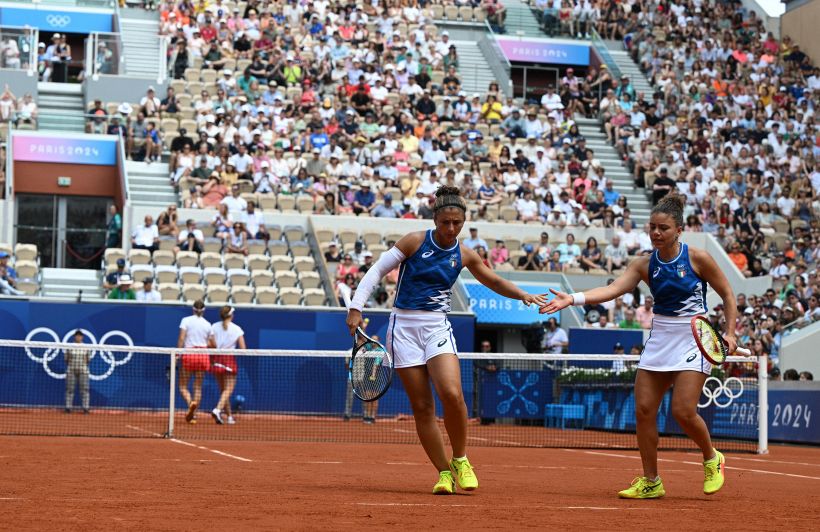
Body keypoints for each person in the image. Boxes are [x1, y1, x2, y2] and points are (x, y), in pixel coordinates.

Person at [539, 194, 743, 499]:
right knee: (645, 410)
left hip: (693, 338)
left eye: (664, 228)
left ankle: (712, 457)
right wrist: (574, 298)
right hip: (659, 339)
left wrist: (730, 333)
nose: (657, 233)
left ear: (679, 230)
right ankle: (651, 481)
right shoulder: (645, 264)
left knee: (683, 411)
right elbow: (612, 289)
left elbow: (727, 294)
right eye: (652, 227)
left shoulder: (697, 258)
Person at [345, 186, 545, 495]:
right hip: (403, 327)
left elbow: (493, 280)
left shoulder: (464, 254)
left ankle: (461, 459)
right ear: (435, 219)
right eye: (445, 223)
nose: (451, 229)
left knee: (452, 394)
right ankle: (443, 473)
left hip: (437, 326)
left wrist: (522, 295)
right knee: (423, 407)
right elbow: (375, 272)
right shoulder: (413, 241)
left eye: (457, 223)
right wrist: (355, 307)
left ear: (463, 221)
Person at [208, 305, 245, 425]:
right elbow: (243, 348)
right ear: (231, 315)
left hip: (216, 359)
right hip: (228, 359)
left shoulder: (213, 326)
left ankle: (229, 417)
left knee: (223, 390)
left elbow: (210, 343)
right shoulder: (237, 329)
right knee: (228, 390)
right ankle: (218, 409)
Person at [177, 300, 212, 424]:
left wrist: (177, 354)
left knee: (182, 386)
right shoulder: (208, 324)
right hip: (203, 355)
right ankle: (194, 414)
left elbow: (182, 338)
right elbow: (212, 343)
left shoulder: (186, 320)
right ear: (203, 311)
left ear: (193, 309)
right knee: (197, 386)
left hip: (189, 354)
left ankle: (190, 403)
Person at [64, 329, 90, 414]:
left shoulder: (86, 347)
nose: (78, 337)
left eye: (80, 335)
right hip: (71, 370)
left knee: (84, 390)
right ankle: (68, 408)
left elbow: (87, 359)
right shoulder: (70, 346)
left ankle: (86, 408)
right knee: (69, 389)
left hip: (83, 371)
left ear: (82, 337)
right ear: (74, 337)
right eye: (77, 335)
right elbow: (66, 359)